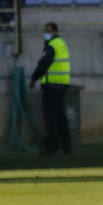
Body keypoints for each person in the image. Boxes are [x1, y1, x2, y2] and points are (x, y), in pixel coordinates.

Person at [28, 21, 72, 155]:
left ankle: (53, 148)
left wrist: (34, 78)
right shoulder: (62, 44)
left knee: (51, 118)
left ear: (54, 32)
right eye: (45, 31)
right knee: (61, 118)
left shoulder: (51, 46)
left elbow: (44, 65)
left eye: (48, 31)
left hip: (51, 85)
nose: (45, 34)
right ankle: (67, 147)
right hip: (62, 84)